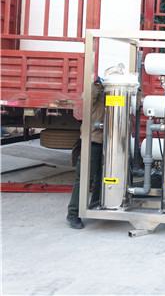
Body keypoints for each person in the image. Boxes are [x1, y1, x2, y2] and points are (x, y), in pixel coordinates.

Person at [66, 77, 105, 229]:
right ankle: (73, 213)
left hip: (110, 142)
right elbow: (87, 96)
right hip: (92, 140)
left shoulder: (117, 93)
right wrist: (98, 84)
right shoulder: (96, 92)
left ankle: (96, 205)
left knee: (102, 177)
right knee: (84, 177)